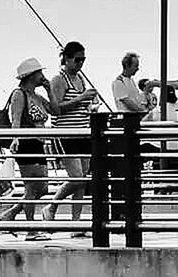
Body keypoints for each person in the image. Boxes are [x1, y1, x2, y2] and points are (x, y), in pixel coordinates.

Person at [41, 41, 99, 238]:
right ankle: (52, 206)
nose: (81, 63)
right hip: (65, 134)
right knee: (77, 178)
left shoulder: (80, 78)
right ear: (66, 58)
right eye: (77, 59)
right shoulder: (59, 79)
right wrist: (82, 98)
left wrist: (90, 104)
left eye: (83, 60)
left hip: (83, 132)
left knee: (82, 181)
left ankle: (76, 223)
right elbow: (55, 109)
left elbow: (79, 104)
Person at [0, 57, 59, 241]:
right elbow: (16, 120)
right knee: (32, 187)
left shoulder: (37, 97)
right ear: (31, 75)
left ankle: (12, 213)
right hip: (26, 144)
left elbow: (56, 111)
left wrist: (49, 89)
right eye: (39, 72)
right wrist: (15, 138)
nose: (42, 76)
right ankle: (31, 229)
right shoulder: (20, 94)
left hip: (38, 144)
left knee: (42, 188)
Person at [112, 52, 156, 116]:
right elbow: (128, 103)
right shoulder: (119, 82)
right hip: (127, 120)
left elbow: (137, 100)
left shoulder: (131, 81)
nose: (138, 69)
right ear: (127, 66)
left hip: (135, 118)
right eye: (135, 66)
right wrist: (144, 112)